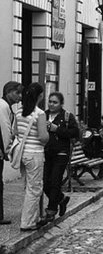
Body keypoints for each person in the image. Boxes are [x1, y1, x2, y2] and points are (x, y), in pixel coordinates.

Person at [11, 83, 49, 231]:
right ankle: (28, 222)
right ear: (40, 96)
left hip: (22, 154)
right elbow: (43, 137)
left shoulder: (19, 112)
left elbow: (15, 132)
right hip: (35, 154)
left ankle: (33, 218)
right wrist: (47, 130)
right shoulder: (39, 113)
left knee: (28, 187)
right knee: (34, 189)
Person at [42, 92, 79, 222]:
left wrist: (57, 129)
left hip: (61, 153)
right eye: (50, 101)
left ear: (61, 104)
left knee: (55, 181)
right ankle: (61, 199)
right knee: (45, 182)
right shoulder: (43, 115)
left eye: (55, 102)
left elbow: (75, 132)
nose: (51, 104)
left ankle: (51, 210)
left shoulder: (67, 116)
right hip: (46, 152)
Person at [0, 81, 22, 225]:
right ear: (8, 92)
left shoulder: (5, 106)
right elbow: (4, 130)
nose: (19, 97)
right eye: (17, 93)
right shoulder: (3, 106)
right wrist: (7, 150)